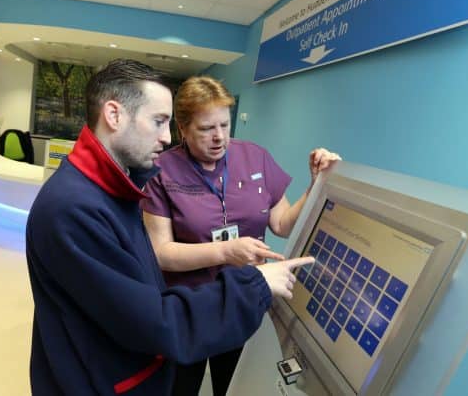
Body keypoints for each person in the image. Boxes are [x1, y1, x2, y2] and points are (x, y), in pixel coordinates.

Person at [25, 59, 314, 395]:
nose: (165, 139)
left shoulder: (109, 189)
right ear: (114, 115)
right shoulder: (73, 209)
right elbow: (153, 322)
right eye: (159, 122)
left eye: (225, 124)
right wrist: (255, 283)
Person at [141, 76, 341, 396]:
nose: (219, 137)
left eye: (225, 124)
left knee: (233, 386)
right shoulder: (161, 171)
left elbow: (283, 224)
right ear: (183, 128)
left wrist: (314, 185)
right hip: (188, 307)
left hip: (242, 301)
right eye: (206, 128)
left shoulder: (255, 157)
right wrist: (225, 251)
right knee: (179, 388)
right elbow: (161, 252)